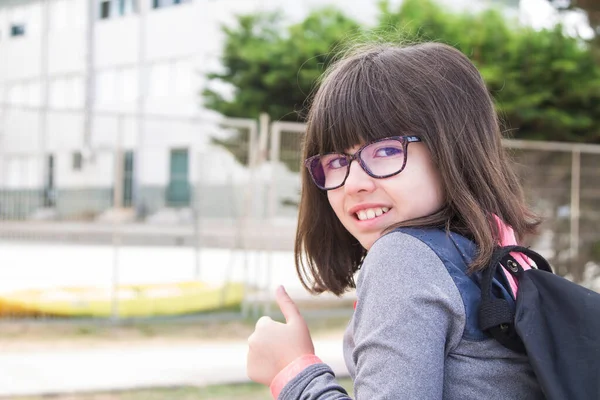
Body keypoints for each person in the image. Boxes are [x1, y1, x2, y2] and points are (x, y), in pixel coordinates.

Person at [246, 42, 544, 399]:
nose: (354, 184)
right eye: (337, 162)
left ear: (451, 150)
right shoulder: (495, 253)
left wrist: (293, 371)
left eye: (386, 151)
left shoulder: (404, 257)